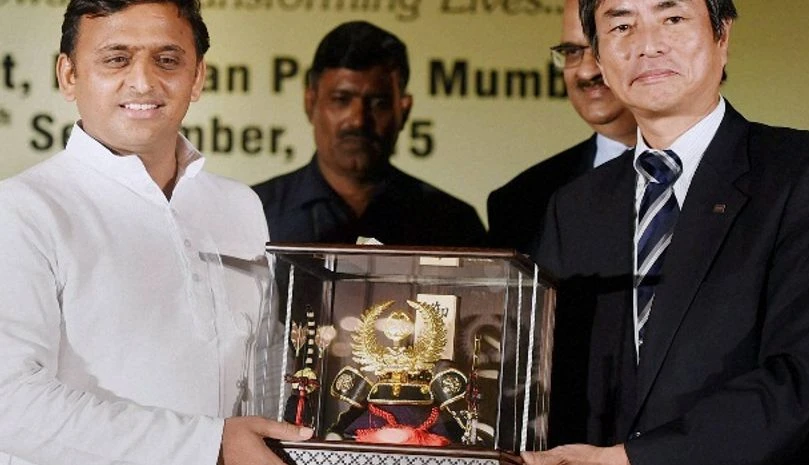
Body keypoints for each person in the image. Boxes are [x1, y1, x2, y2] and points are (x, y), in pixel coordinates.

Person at [0, 0, 310, 464]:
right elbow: (10, 404)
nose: (143, 81)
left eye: (167, 60)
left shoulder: (238, 206)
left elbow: (265, 371)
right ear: (68, 76)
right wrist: (208, 445)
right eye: (116, 58)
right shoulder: (22, 210)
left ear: (198, 76)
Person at [523, 0, 809, 464]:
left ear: (722, 35)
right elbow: (545, 381)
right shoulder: (577, 206)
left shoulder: (803, 173)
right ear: (600, 57)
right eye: (622, 25)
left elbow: (803, 374)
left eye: (673, 19)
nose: (648, 45)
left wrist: (632, 459)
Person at [253, 21, 487, 247]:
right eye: (341, 100)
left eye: (378, 103)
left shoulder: (453, 225)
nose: (358, 120)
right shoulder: (253, 215)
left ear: (404, 110)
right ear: (310, 103)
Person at [487, 0, 636, 253]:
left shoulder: (718, 169)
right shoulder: (519, 202)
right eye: (571, 52)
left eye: (602, 47)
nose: (587, 72)